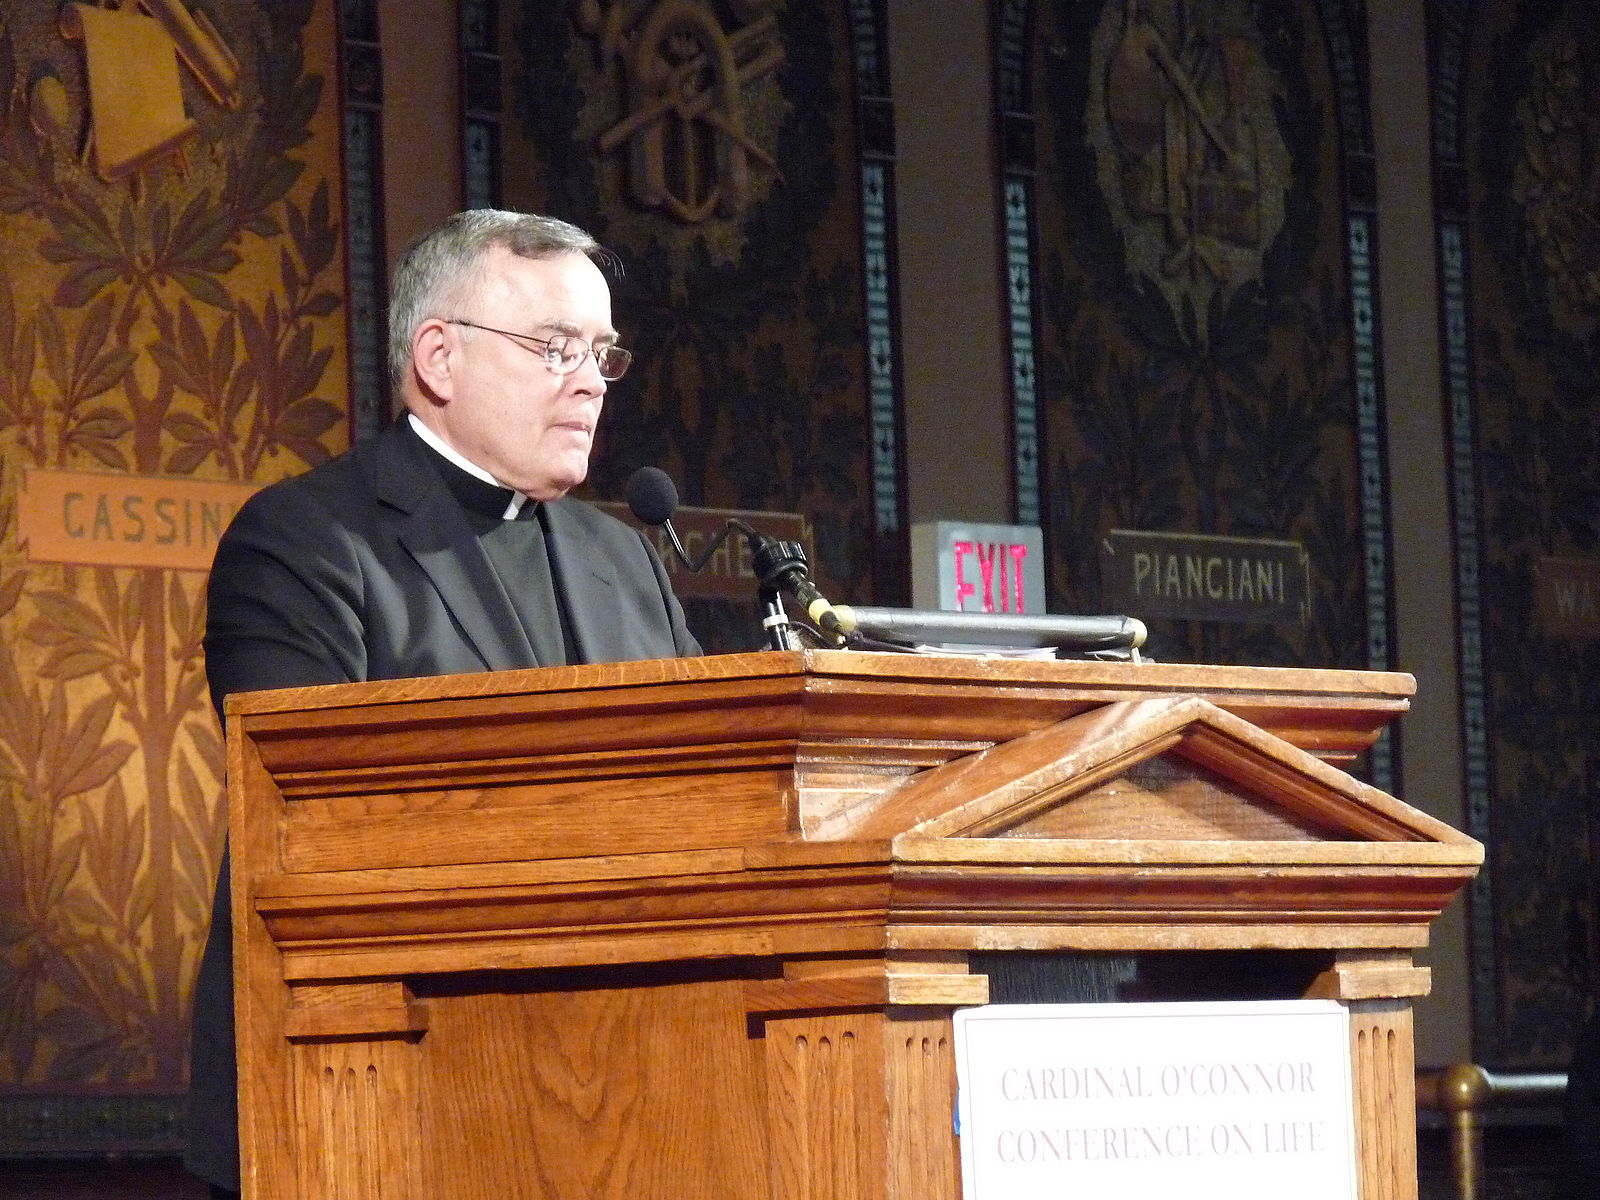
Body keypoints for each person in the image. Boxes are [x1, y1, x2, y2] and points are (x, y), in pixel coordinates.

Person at [184, 209, 700, 1195]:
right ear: (438, 358)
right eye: (554, 348)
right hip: (374, 1076)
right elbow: (319, 816)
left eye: (600, 352)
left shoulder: (622, 557)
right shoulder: (307, 541)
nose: (589, 380)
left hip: (622, 1091)